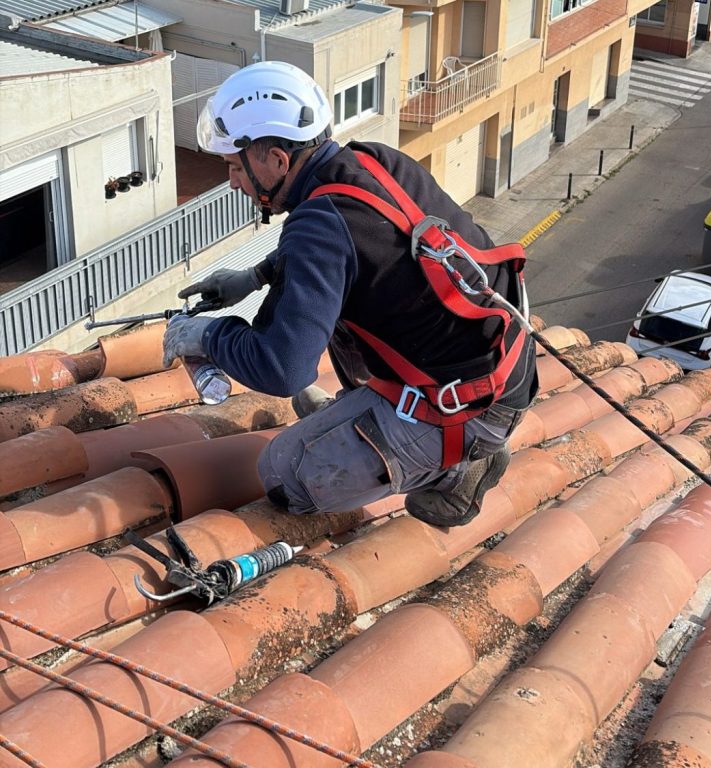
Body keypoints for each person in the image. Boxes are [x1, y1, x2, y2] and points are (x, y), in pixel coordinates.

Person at [163, 61, 538, 527]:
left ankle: (458, 470)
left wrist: (207, 336)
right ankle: (366, 417)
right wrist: (257, 275)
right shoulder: (371, 160)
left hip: (469, 408)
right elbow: (357, 246)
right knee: (333, 310)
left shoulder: (318, 225)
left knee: (283, 473)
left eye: (235, 167)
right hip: (504, 365)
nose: (233, 182)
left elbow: (282, 369)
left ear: (277, 160)